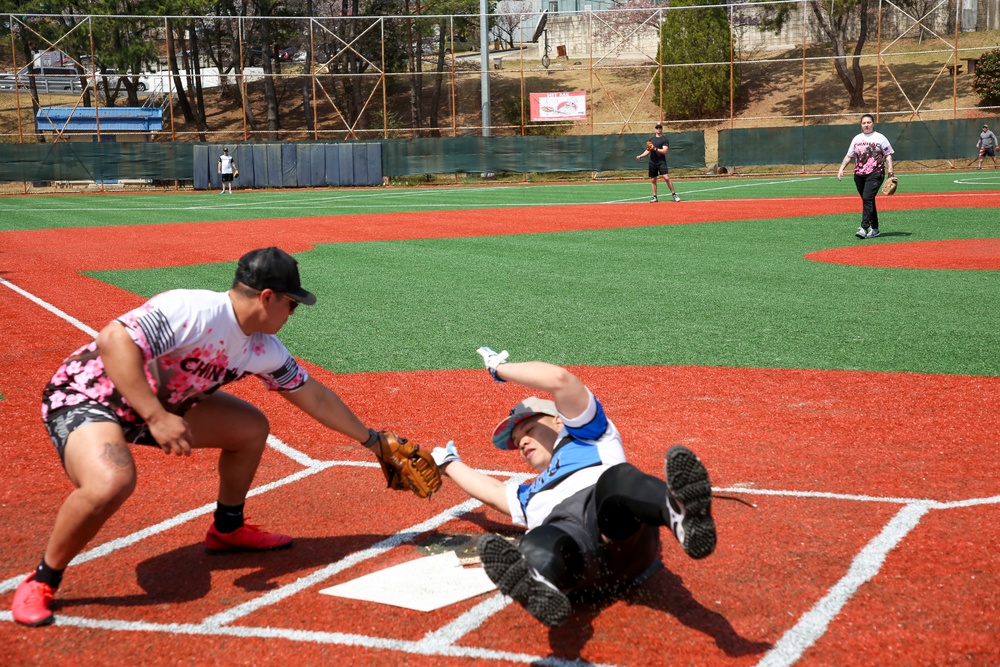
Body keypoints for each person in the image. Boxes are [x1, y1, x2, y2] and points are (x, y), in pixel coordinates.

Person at [12, 247, 397, 627]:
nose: (293, 313)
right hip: (88, 396)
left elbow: (316, 397)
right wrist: (156, 415)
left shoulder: (262, 349)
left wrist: (373, 441)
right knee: (111, 481)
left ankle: (227, 529)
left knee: (250, 428)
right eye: (292, 304)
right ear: (267, 297)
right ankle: (43, 578)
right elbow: (114, 340)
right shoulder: (194, 311)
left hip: (160, 408)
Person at [430, 347, 717, 627]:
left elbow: (560, 380)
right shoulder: (530, 494)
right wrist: (448, 462)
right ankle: (540, 584)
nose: (523, 444)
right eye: (517, 443)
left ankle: (680, 514)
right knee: (540, 539)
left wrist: (499, 370)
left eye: (528, 431)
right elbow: (493, 492)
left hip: (618, 530)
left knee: (616, 481)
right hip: (581, 567)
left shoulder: (588, 436)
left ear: (558, 419)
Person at [837, 113, 895, 239]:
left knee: (867, 198)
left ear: (873, 123)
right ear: (861, 125)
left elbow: (888, 154)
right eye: (864, 123)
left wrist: (891, 171)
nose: (866, 125)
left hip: (876, 172)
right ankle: (875, 229)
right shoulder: (857, 139)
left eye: (869, 122)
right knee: (868, 200)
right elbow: (849, 156)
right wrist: (841, 168)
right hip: (859, 174)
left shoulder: (880, 138)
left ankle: (864, 228)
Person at [636, 122, 681, 203]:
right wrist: (641, 156)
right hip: (652, 161)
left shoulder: (664, 139)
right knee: (653, 179)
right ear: (655, 129)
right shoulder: (651, 140)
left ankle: (674, 194)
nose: (658, 129)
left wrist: (655, 149)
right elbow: (648, 150)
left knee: (666, 177)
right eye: (657, 127)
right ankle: (654, 197)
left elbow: (665, 151)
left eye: (660, 127)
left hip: (661, 161)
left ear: (662, 128)